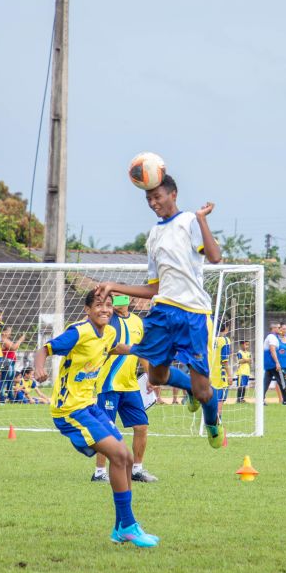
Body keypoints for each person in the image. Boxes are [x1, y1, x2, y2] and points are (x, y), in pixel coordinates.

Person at [91, 174, 225, 443]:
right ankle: (187, 386)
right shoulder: (153, 235)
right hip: (163, 311)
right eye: (149, 198)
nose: (153, 202)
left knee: (203, 392)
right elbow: (154, 288)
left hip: (194, 315)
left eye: (158, 197)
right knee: (156, 375)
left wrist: (202, 218)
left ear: (173, 194)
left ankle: (212, 421)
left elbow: (215, 257)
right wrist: (115, 286)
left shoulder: (189, 221)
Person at [33, 290, 158, 546]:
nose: (105, 309)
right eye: (99, 305)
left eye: (109, 305)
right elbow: (43, 350)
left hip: (90, 405)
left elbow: (115, 347)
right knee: (120, 456)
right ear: (87, 310)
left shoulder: (109, 332)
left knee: (125, 458)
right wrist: (39, 369)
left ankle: (120, 528)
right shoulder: (78, 332)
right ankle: (128, 526)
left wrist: (143, 350)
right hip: (70, 410)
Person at [91, 294, 155, 483]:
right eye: (115, 298)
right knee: (106, 429)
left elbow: (142, 350)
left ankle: (137, 469)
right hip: (109, 383)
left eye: (122, 297)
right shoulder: (107, 320)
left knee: (141, 426)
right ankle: (100, 472)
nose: (119, 301)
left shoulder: (138, 322)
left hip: (130, 385)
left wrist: (150, 375)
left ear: (129, 300)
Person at [262, 323, 286, 404]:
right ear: (274, 328)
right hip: (273, 363)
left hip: (268, 363)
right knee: (282, 380)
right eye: (278, 328)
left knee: (266, 382)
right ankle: (285, 400)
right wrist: (277, 363)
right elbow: (272, 350)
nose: (280, 329)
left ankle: (261, 399)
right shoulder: (272, 337)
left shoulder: (271, 337)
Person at [210, 329, 232, 406]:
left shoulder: (209, 338)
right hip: (220, 378)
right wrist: (229, 376)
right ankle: (218, 418)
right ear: (226, 328)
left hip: (208, 376)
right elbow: (224, 361)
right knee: (219, 403)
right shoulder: (225, 340)